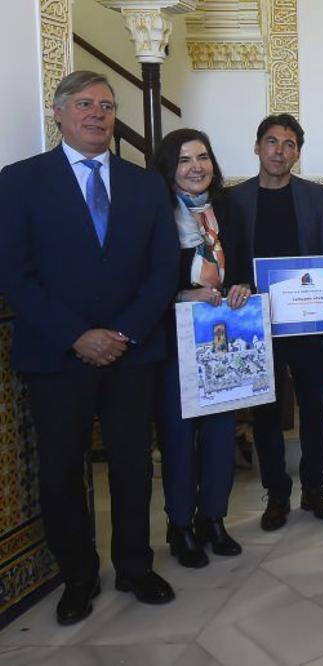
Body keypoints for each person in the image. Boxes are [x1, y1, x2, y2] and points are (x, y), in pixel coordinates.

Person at [0, 70, 178, 624]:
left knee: (131, 464)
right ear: (58, 112)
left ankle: (134, 566)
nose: (97, 113)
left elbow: (163, 269)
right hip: (56, 354)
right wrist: (75, 335)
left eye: (106, 105)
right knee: (60, 470)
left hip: (132, 352)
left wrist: (122, 333)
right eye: (84, 104)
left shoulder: (146, 184)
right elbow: (13, 272)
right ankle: (77, 577)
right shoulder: (20, 181)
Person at [230, 113, 323, 530]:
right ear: (257, 147)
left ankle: (314, 487)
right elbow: (229, 261)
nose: (280, 151)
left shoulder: (317, 197)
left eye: (289, 144)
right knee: (266, 410)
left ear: (298, 153)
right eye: (272, 142)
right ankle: (276, 494)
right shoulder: (234, 200)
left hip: (307, 320)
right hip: (256, 321)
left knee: (315, 405)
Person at [152, 128, 253, 569]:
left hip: (221, 337)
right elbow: (142, 275)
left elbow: (243, 263)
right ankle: (180, 524)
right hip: (173, 338)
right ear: (168, 169)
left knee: (219, 431)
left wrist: (242, 287)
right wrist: (181, 294)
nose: (196, 168)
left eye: (203, 157)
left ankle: (213, 517)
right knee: (178, 434)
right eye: (184, 160)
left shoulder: (227, 208)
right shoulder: (155, 211)